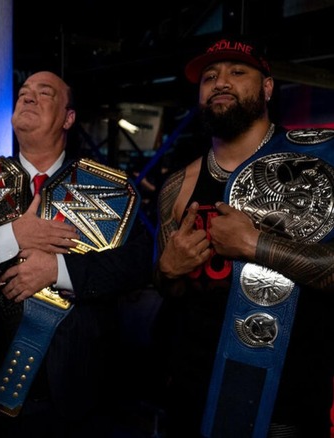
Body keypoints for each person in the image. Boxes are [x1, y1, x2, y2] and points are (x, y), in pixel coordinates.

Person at [153, 35, 334, 437]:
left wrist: (255, 245)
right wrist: (169, 270)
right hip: (191, 398)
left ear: (267, 88)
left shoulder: (317, 164)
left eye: (238, 72)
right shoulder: (178, 184)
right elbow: (167, 287)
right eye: (209, 77)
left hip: (285, 406)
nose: (220, 82)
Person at [0, 70, 155, 437]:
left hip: (85, 391)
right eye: (23, 93)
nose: (29, 97)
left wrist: (58, 269)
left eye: (45, 93)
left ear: (69, 117)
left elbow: (138, 265)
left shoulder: (110, 188)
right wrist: (14, 235)